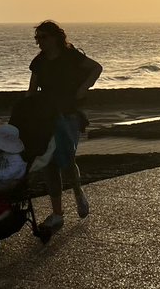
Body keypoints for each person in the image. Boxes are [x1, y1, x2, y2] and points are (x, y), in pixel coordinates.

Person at [28, 20, 103, 232]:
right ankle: (57, 213)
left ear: (55, 37)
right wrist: (25, 113)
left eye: (43, 37)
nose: (40, 42)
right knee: (48, 163)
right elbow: (31, 90)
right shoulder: (39, 62)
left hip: (69, 115)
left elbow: (96, 68)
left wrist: (83, 88)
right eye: (37, 38)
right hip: (45, 115)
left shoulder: (71, 56)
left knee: (67, 160)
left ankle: (77, 190)